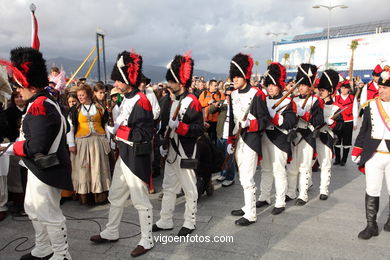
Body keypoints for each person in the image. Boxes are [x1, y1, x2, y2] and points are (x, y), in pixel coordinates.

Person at [0, 47, 73, 260]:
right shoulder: (40, 102)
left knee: (49, 214)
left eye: (19, 86)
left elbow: (36, 145)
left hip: (46, 167)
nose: (18, 91)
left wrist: (9, 148)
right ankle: (43, 248)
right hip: (37, 166)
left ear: (29, 85)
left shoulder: (41, 105)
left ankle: (62, 254)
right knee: (32, 208)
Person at [89, 51, 155, 257]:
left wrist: (119, 131)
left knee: (140, 200)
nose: (115, 84)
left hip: (136, 155)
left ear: (128, 80)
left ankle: (147, 239)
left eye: (118, 80)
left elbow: (145, 133)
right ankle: (111, 231)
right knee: (115, 195)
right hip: (124, 153)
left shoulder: (141, 100)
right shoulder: (125, 99)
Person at [153, 52, 204, 236]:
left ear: (180, 82)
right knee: (168, 187)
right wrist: (162, 143)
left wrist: (181, 127)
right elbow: (163, 125)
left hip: (186, 150)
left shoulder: (193, 102)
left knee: (190, 189)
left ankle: (190, 222)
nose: (168, 84)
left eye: (171, 81)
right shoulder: (168, 100)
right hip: (171, 150)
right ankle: (165, 220)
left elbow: (198, 129)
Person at [227, 53, 269, 226]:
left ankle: (251, 214)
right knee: (242, 176)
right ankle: (247, 206)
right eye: (233, 75)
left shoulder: (257, 94)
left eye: (237, 76)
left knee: (246, 177)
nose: (234, 79)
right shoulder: (233, 94)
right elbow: (230, 119)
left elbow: (265, 120)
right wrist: (230, 140)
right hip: (238, 140)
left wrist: (250, 123)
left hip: (251, 140)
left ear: (245, 75)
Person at [352, 66, 390, 240]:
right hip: (373, 154)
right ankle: (371, 225)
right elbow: (364, 129)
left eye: (384, 88)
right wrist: (357, 149)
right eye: (380, 87)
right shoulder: (371, 105)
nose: (380, 90)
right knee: (372, 189)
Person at [257, 63, 297, 215]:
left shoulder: (288, 102)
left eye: (273, 85)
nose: (270, 88)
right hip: (264, 137)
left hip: (280, 138)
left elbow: (291, 121)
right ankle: (264, 196)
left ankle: (280, 202)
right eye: (269, 85)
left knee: (279, 171)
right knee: (265, 170)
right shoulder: (263, 100)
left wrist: (276, 118)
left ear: (279, 86)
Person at [286, 63, 324, 206]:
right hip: (294, 135)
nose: (300, 87)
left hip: (307, 136)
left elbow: (319, 120)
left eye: (303, 85)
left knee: (304, 167)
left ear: (310, 86)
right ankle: (290, 192)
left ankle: (303, 194)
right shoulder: (293, 99)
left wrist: (305, 115)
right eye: (299, 84)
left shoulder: (316, 100)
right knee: (292, 166)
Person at [67, 84, 111, 205]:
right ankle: (86, 196)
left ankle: (100, 195)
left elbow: (105, 125)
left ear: (89, 95)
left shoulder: (99, 107)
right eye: (79, 95)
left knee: (98, 167)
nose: (80, 97)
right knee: (84, 168)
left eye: (82, 95)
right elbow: (69, 128)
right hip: (82, 141)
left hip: (98, 141)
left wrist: (108, 140)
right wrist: (71, 144)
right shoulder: (74, 110)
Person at [315, 69, 344, 200]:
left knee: (325, 164)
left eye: (323, 90)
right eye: (320, 89)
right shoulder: (315, 104)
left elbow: (340, 126)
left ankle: (324, 190)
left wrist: (332, 123)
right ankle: (306, 184)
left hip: (326, 136)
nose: (321, 92)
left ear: (330, 91)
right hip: (312, 135)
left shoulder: (336, 107)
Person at [212, 86, 236, 187]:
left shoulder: (237, 105)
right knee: (221, 156)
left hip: (230, 136)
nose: (227, 97)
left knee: (229, 158)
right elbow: (210, 111)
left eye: (229, 95)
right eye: (226, 94)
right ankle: (223, 174)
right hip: (220, 134)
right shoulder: (222, 103)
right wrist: (215, 105)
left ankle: (230, 177)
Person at [353, 65, 382, 129]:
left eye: (379, 76)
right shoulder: (367, 86)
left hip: (383, 114)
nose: (378, 78)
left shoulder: (385, 86)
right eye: (376, 76)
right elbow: (363, 102)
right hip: (370, 114)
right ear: (373, 76)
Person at [334, 80, 354, 166]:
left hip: (348, 122)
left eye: (345, 88)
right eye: (342, 88)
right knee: (337, 141)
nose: (344, 90)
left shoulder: (352, 98)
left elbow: (355, 110)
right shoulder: (336, 98)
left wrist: (355, 123)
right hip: (338, 122)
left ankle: (344, 159)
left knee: (346, 141)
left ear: (348, 89)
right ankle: (337, 159)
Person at [199, 79, 225, 144]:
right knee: (206, 139)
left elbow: (224, 104)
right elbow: (199, 103)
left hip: (217, 121)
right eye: (215, 86)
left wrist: (218, 105)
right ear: (210, 86)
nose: (216, 87)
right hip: (206, 120)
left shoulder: (220, 94)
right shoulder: (204, 93)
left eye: (217, 86)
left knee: (214, 140)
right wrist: (208, 102)